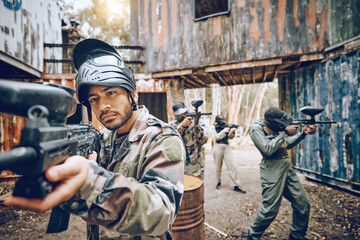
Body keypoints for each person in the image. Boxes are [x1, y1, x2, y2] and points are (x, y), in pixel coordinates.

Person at [5, 38, 185, 240]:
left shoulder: (161, 137)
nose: (102, 105)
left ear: (131, 94)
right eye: (93, 99)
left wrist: (89, 181)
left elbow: (163, 213)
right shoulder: (104, 137)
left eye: (111, 92)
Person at [247, 107, 317, 240]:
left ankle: (297, 236)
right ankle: (253, 236)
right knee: (269, 210)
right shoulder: (255, 128)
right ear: (274, 123)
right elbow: (267, 149)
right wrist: (285, 132)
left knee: (302, 204)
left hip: (286, 169)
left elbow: (287, 144)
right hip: (272, 170)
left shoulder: (276, 129)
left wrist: (303, 133)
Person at [169, 102, 208, 180]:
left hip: (196, 166)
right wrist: (181, 126)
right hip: (179, 165)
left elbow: (203, 140)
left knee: (197, 189)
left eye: (184, 113)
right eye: (179, 114)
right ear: (175, 115)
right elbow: (171, 141)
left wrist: (196, 126)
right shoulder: (171, 125)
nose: (183, 116)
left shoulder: (198, 123)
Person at [212, 115, 246, 193]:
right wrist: (223, 131)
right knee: (218, 167)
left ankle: (237, 184)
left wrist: (232, 131)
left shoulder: (226, 127)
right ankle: (218, 182)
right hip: (217, 147)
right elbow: (216, 137)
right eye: (222, 121)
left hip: (227, 147)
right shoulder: (213, 127)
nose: (223, 122)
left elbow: (230, 137)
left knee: (232, 165)